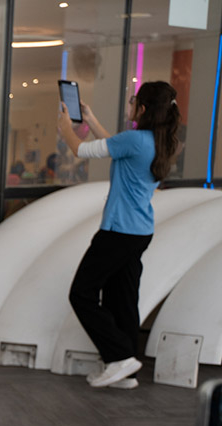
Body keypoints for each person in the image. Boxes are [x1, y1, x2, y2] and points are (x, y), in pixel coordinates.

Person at [58, 81, 179, 390]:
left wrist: (65, 128)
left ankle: (120, 357)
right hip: (139, 232)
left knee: (81, 293)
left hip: (118, 232)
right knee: (122, 299)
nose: (130, 106)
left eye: (133, 102)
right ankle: (126, 372)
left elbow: (81, 150)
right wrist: (91, 119)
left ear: (143, 109)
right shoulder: (159, 141)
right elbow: (116, 145)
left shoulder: (135, 140)